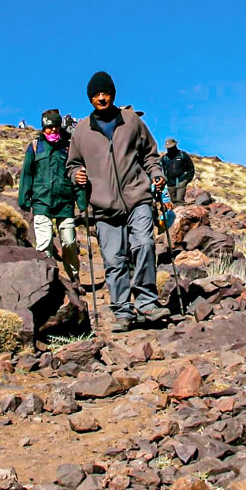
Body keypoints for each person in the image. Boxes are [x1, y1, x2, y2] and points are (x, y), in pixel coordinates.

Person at [67, 71, 168, 332]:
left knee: (144, 244)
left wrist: (156, 173)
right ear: (90, 98)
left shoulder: (132, 121)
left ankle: (147, 303)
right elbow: (73, 163)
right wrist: (74, 174)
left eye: (105, 93)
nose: (101, 98)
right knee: (114, 260)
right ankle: (123, 311)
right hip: (102, 205)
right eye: (96, 95)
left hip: (137, 196)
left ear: (113, 94)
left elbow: (150, 154)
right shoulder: (81, 130)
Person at [18, 109, 80, 281]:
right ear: (43, 127)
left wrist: (81, 200)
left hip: (65, 201)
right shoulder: (35, 146)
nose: (52, 130)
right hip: (41, 200)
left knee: (69, 243)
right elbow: (27, 173)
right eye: (48, 127)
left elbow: (76, 172)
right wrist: (24, 197)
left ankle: (74, 279)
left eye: (55, 126)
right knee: (44, 244)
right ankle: (47, 280)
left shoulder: (68, 146)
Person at [161, 138, 195, 207]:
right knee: (173, 201)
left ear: (175, 146)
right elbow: (162, 170)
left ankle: (181, 214)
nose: (169, 149)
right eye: (168, 148)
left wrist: (187, 179)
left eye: (171, 147)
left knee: (179, 200)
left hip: (182, 180)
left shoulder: (183, 155)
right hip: (170, 182)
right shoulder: (164, 158)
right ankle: (176, 215)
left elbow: (191, 168)